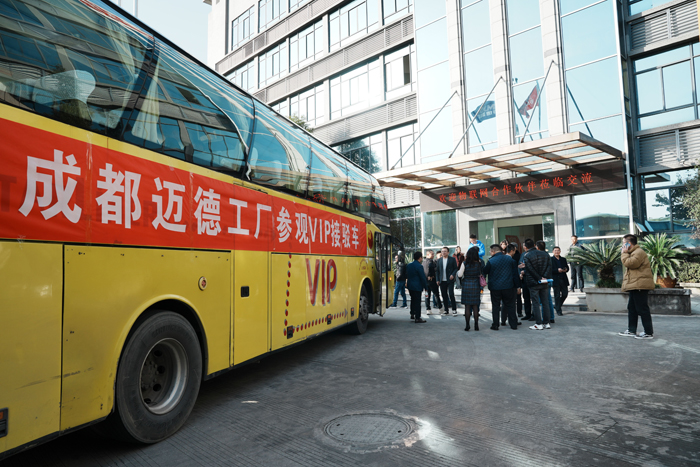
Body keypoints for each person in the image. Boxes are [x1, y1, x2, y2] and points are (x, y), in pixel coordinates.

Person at [618, 234, 655, 339]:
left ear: (629, 243)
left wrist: (624, 253)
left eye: (623, 243)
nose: (622, 245)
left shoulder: (638, 252)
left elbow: (631, 264)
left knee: (642, 309)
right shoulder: (633, 253)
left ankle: (648, 332)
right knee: (632, 308)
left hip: (640, 285)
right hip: (635, 285)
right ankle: (631, 330)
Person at [482, 244, 518, 330]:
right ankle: (513, 324)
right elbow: (515, 274)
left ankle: (495, 325)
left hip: (495, 288)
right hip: (508, 286)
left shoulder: (491, 261)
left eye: (490, 251)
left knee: (496, 306)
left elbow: (485, 271)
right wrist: (517, 286)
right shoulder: (510, 259)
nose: (490, 253)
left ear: (493, 251)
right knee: (510, 305)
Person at [523, 239, 553, 330]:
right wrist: (544, 277)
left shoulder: (527, 255)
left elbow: (530, 269)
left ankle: (538, 323)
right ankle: (546, 323)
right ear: (534, 245)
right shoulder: (545, 254)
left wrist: (539, 278)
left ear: (526, 247)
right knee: (545, 302)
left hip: (533, 283)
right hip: (544, 282)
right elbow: (549, 266)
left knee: (535, 303)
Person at [457, 247, 483, 331]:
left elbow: (460, 275)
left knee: (467, 306)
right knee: (475, 306)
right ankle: (476, 325)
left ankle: (467, 325)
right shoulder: (479, 263)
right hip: (476, 285)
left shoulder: (464, 263)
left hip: (466, 285)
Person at [536, 241, 556, 323]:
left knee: (543, 300)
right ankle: (551, 317)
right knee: (548, 299)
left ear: (537, 247)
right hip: (548, 279)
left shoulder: (539, 256)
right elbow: (549, 267)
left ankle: (545, 318)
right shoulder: (548, 255)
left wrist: (542, 277)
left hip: (543, 280)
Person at [406, 251, 428, 324]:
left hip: (410, 285)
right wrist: (425, 287)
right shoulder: (419, 266)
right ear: (420, 258)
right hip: (417, 286)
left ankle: (412, 313)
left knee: (413, 300)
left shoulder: (409, 265)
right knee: (417, 302)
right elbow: (422, 277)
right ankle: (417, 317)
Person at [436, 246, 458, 314]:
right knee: (444, 295)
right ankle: (446, 309)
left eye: (445, 251)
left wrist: (453, 274)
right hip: (442, 280)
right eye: (442, 251)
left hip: (450, 280)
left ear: (448, 252)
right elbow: (437, 271)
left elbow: (455, 268)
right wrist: (437, 280)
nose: (443, 252)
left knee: (451, 294)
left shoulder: (452, 259)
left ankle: (454, 309)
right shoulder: (439, 260)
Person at [551, 246, 569, 316]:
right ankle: (559, 310)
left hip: (563, 279)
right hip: (556, 279)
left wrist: (566, 269)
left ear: (560, 251)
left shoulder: (563, 259)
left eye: (558, 250)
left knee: (565, 294)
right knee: (557, 295)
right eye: (555, 250)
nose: (557, 252)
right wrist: (557, 270)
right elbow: (550, 270)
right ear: (553, 252)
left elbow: (567, 267)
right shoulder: (551, 260)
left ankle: (557, 305)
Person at [507, 244, 523, 317]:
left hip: (506, 283)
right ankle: (515, 318)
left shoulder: (503, 258)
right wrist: (518, 286)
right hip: (512, 283)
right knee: (514, 301)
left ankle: (504, 319)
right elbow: (515, 274)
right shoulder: (513, 260)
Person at [519, 240, 534, 320]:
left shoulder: (533, 254)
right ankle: (527, 314)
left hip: (532, 278)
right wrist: (520, 273)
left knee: (533, 297)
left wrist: (525, 271)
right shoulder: (523, 254)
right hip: (524, 279)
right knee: (526, 297)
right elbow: (519, 264)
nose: (524, 247)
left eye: (524, 245)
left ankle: (534, 314)